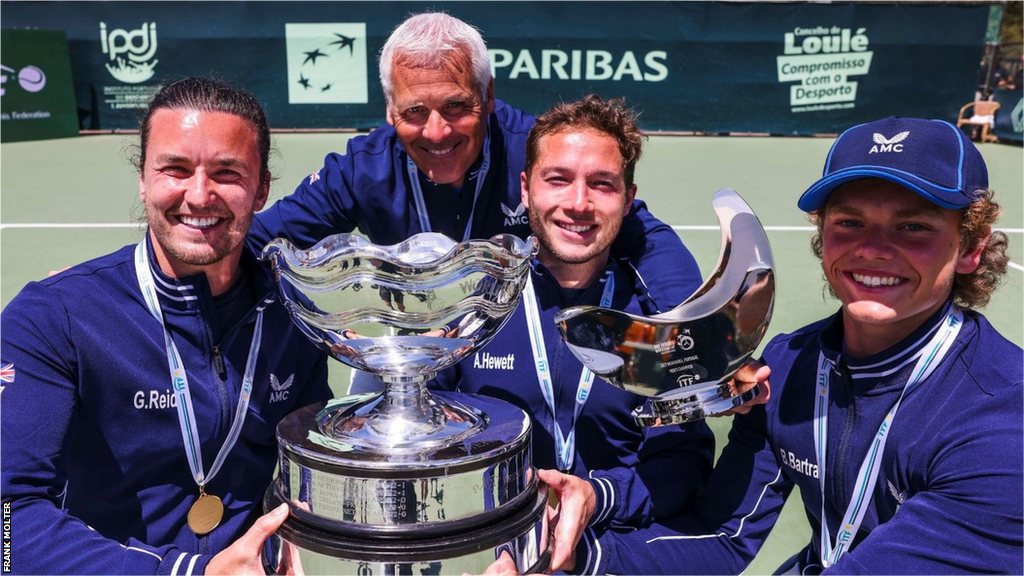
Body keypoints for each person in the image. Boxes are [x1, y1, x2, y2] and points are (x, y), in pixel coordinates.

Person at [538, 116, 1024, 575]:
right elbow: (722, 533)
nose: (873, 248)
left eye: (913, 226)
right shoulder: (792, 366)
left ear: (971, 247)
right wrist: (576, 558)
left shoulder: (1002, 419)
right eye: (850, 223)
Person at [0, 77, 332, 575]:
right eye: (175, 169)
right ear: (143, 178)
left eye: (227, 172)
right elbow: (6, 523)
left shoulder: (294, 314)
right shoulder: (53, 317)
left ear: (262, 188)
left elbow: (301, 471)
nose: (199, 195)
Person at [247, 12, 702, 317]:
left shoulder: (534, 148)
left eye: (456, 106)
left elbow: (642, 237)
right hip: (415, 337)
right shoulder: (362, 168)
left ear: (487, 96)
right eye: (415, 112)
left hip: (519, 331)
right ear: (389, 111)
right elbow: (260, 242)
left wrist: (689, 329)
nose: (437, 132)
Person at [430, 95, 716, 574]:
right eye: (558, 179)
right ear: (526, 189)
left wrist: (598, 499)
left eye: (601, 185)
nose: (577, 204)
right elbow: (432, 437)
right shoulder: (471, 300)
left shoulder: (654, 318)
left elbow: (683, 464)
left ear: (628, 198)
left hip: (613, 553)